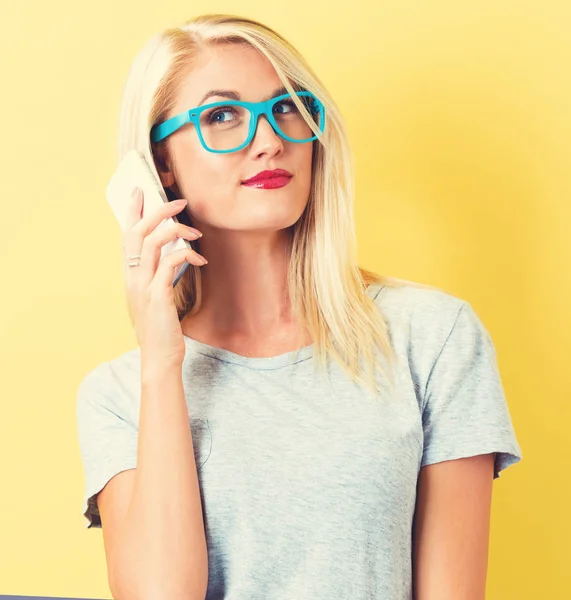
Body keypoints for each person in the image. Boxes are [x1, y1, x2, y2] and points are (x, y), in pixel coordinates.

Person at [76, 13, 523, 600]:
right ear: (159, 166)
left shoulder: (434, 338)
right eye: (220, 115)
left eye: (287, 107)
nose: (270, 139)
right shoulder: (117, 395)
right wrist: (161, 360)